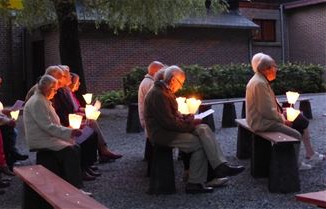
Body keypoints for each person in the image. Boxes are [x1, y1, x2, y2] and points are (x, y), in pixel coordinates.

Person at [144, 66, 244, 194]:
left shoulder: (164, 91)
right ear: (173, 80)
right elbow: (168, 123)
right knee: (198, 144)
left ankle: (220, 166)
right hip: (163, 134)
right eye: (180, 83)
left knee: (203, 128)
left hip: (169, 130)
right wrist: (190, 124)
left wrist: (186, 117)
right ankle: (194, 183)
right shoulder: (157, 94)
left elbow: (173, 115)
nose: (180, 87)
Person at [246, 53, 325, 170]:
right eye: (274, 67)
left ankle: (310, 153)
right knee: (296, 134)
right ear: (266, 69)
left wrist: (283, 111)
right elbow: (266, 111)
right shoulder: (259, 83)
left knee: (300, 118)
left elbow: (267, 106)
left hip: (264, 119)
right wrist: (283, 119)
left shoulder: (260, 80)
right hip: (262, 122)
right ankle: (294, 164)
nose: (276, 69)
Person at [24, 74, 85, 189]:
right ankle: (75, 187)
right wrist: (70, 132)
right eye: (55, 90)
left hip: (47, 136)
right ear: (48, 89)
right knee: (70, 150)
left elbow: (52, 124)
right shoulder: (38, 102)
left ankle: (69, 183)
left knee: (75, 147)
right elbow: (47, 126)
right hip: (41, 138)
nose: (56, 92)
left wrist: (69, 130)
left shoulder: (42, 99)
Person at [69, 72, 122, 162]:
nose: (79, 84)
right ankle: (103, 150)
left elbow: (77, 108)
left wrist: (88, 109)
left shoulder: (71, 94)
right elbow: (73, 111)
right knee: (92, 122)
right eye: (77, 82)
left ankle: (103, 151)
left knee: (93, 121)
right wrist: (86, 114)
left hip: (78, 119)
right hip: (73, 123)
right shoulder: (68, 95)